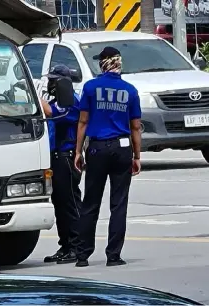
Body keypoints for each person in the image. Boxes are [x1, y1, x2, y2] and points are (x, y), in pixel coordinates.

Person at [74, 46, 142, 267]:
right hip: (122, 149)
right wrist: (137, 156)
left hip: (97, 148)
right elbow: (135, 127)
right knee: (118, 204)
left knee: (91, 202)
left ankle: (83, 255)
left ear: (104, 63)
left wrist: (78, 151)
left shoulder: (91, 88)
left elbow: (83, 122)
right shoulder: (130, 91)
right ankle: (113, 255)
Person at [41, 64, 83, 264]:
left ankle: (76, 246)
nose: (51, 84)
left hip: (67, 156)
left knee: (70, 204)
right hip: (55, 157)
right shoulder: (56, 100)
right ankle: (65, 245)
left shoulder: (71, 101)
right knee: (59, 203)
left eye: (54, 80)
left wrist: (33, 96)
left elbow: (51, 113)